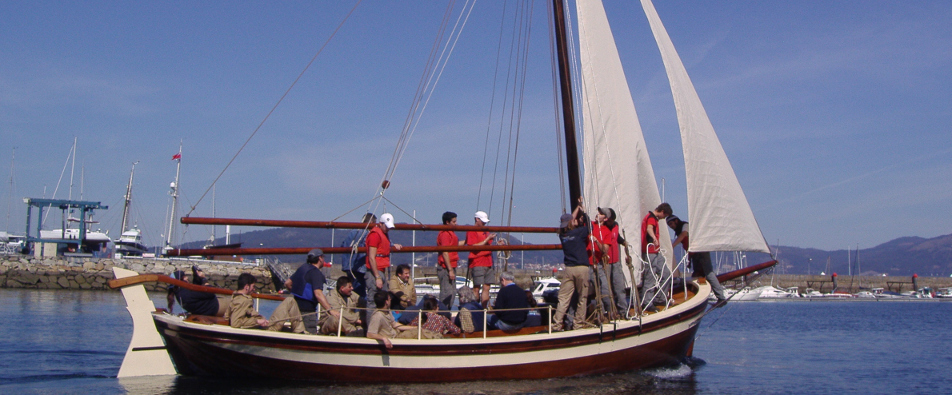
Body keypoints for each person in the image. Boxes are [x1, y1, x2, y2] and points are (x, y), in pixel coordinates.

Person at [667, 215, 727, 305]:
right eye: (669, 225)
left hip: (701, 252)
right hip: (694, 254)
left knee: (709, 273)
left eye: (671, 224)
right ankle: (695, 296)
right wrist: (689, 260)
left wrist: (672, 245)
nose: (671, 226)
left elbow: (684, 235)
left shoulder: (685, 226)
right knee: (697, 275)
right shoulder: (679, 231)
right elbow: (688, 246)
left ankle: (721, 298)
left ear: (676, 221)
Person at [552, 202, 591, 331]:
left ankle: (557, 324)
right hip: (582, 268)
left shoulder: (563, 235)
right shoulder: (579, 233)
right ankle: (578, 324)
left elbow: (570, 220)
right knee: (582, 297)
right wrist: (583, 211)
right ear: (571, 222)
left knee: (563, 298)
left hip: (569, 269)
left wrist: (577, 207)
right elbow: (590, 227)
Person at [285, 249, 335, 334]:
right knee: (309, 334)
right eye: (323, 257)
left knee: (296, 332)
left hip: (294, 309)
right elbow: (318, 294)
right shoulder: (316, 273)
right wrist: (330, 310)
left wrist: (295, 290)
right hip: (308, 311)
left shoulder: (302, 268)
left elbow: (287, 283)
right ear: (320, 258)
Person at [592, 207, 630, 318]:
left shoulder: (615, 226)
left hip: (615, 261)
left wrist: (624, 242)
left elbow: (616, 236)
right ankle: (606, 313)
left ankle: (623, 312)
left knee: (619, 287)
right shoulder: (599, 228)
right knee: (604, 288)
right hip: (605, 262)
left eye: (602, 214)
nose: (599, 215)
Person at [365, 213, 403, 317]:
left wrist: (393, 245)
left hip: (382, 269)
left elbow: (384, 246)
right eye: (386, 226)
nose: (388, 229)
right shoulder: (375, 235)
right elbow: (372, 257)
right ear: (380, 224)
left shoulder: (383, 234)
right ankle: (371, 328)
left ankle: (383, 324)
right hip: (375, 271)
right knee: (373, 300)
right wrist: (377, 276)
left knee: (384, 299)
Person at [640, 203, 672, 311]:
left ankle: (660, 298)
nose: (664, 218)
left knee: (666, 273)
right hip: (650, 252)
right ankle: (646, 302)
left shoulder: (653, 219)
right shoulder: (651, 218)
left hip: (656, 251)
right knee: (650, 277)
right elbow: (649, 228)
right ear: (662, 212)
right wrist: (654, 237)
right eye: (665, 216)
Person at [340, 213, 376, 299]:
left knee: (351, 290)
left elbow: (343, 246)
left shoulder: (353, 232)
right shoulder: (366, 233)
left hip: (348, 266)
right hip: (359, 267)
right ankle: (359, 310)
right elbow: (370, 245)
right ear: (371, 222)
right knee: (360, 293)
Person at [466, 211, 496, 308]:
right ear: (477, 219)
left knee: (487, 287)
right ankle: (475, 308)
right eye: (482, 221)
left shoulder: (486, 231)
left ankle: (484, 308)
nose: (484, 223)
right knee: (476, 287)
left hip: (488, 261)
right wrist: (487, 240)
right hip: (477, 262)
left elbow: (488, 244)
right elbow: (473, 246)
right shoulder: (472, 230)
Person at [437, 211, 463, 308]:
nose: (455, 223)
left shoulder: (451, 233)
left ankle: (446, 313)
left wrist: (466, 242)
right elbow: (445, 252)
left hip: (451, 265)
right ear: (447, 222)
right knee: (446, 293)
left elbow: (454, 245)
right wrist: (450, 270)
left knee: (452, 292)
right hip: (446, 267)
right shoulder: (445, 234)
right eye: (454, 221)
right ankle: (442, 314)